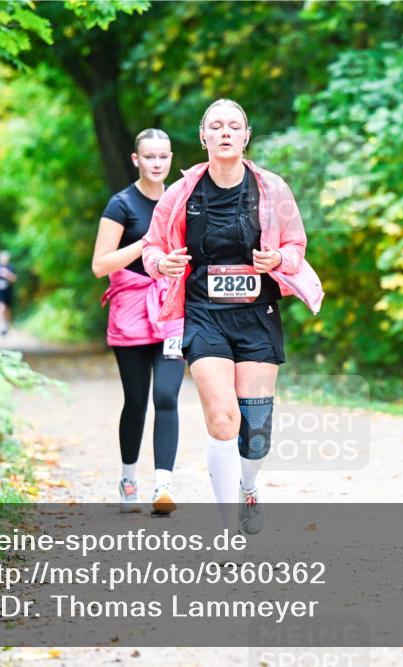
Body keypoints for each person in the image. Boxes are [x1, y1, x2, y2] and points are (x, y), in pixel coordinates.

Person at [142, 99, 323, 533]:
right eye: (216, 126)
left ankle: (248, 485)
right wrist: (161, 264)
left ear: (246, 136)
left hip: (258, 315)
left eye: (234, 126)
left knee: (255, 430)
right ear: (203, 137)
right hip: (204, 313)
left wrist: (277, 256)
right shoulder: (181, 193)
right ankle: (227, 528)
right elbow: (151, 247)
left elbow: (297, 247)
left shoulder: (272, 190)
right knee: (222, 418)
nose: (225, 132)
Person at [92, 128, 185, 515]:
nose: (157, 163)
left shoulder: (182, 200)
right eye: (149, 157)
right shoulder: (121, 204)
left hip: (172, 312)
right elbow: (100, 265)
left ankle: (162, 486)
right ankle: (129, 477)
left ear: (170, 157)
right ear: (136, 159)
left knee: (166, 396)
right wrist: (145, 241)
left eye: (163, 157)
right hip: (131, 313)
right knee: (136, 401)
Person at [0, 250, 16, 336]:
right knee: (0, 307)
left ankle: (6, 325)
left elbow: (14, 279)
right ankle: (0, 324)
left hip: (8, 292)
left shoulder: (11, 267)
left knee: (7, 309)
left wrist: (7, 274)